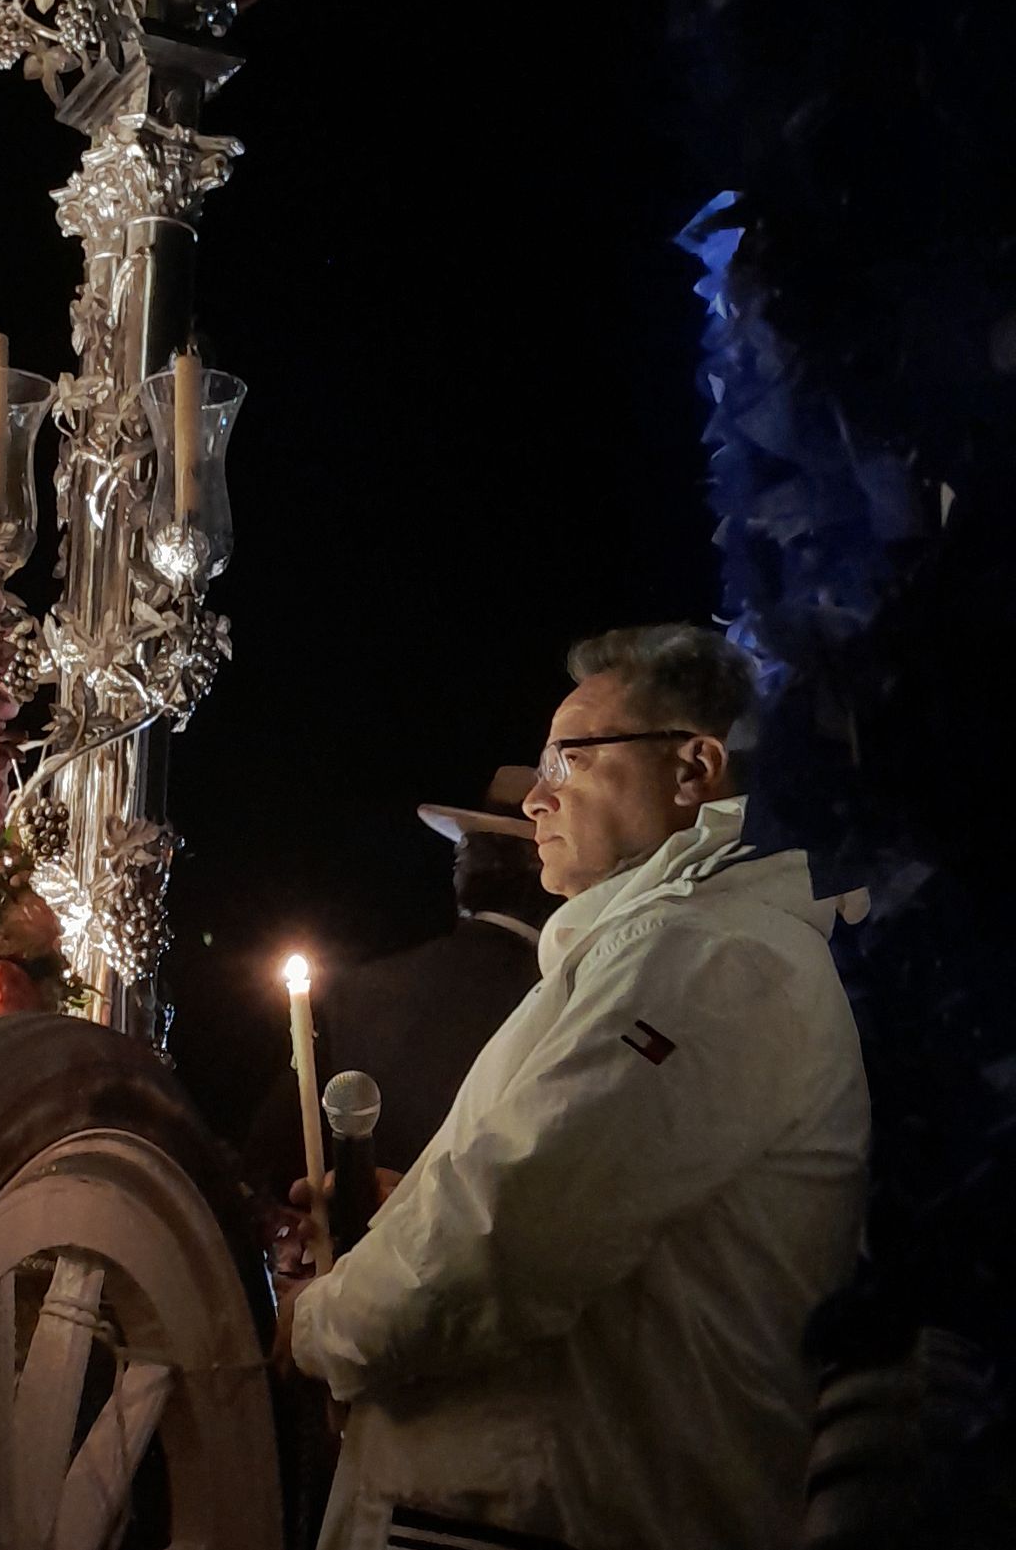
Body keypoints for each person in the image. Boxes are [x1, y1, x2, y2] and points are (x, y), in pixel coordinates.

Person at [277, 623, 869, 1550]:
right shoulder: (657, 950)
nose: (539, 796)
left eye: (568, 756)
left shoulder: (711, 960)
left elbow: (514, 1227)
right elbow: (555, 1188)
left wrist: (319, 1328)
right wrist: (402, 1217)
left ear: (693, 770)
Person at [248, 771, 558, 1196]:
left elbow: (270, 1158)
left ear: (464, 871)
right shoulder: (563, 999)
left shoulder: (359, 990)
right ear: (546, 872)